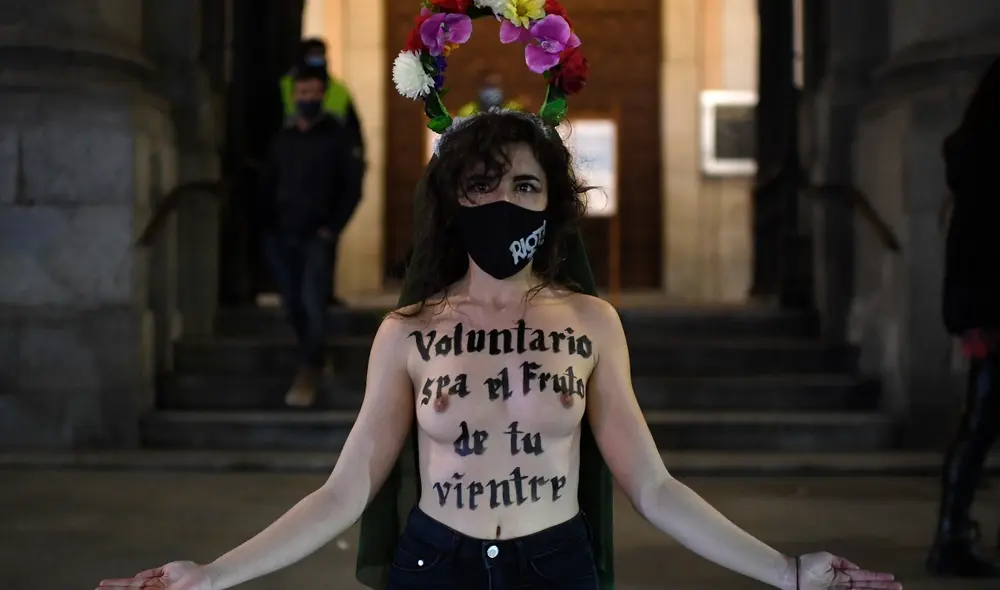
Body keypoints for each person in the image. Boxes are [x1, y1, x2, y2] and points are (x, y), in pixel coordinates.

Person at [96, 110, 902, 590]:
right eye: (482, 184)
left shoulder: (590, 323)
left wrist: (786, 573)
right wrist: (211, 578)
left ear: (552, 205)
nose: (503, 202)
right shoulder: (406, 332)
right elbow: (343, 495)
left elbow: (652, 487)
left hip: (557, 565)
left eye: (525, 186)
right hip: (433, 566)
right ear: (454, 202)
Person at [926, 57, 1000, 578]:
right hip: (990, 312)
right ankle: (951, 536)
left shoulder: (975, 163)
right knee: (979, 424)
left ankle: (953, 534)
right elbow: (973, 250)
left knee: (980, 423)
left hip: (983, 310)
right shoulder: (982, 170)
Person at [257, 67, 363, 408]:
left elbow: (350, 187)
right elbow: (268, 184)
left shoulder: (337, 137)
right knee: (291, 301)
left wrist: (333, 226)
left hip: (318, 234)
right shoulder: (282, 139)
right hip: (281, 233)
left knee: (312, 297)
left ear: (322, 95)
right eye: (302, 93)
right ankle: (314, 355)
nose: (308, 99)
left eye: (314, 93)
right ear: (294, 97)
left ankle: (310, 365)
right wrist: (267, 225)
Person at [456, 68, 524, 117]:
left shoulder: (514, 110)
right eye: (488, 86)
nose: (493, 91)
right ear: (479, 88)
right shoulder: (467, 113)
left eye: (495, 85)